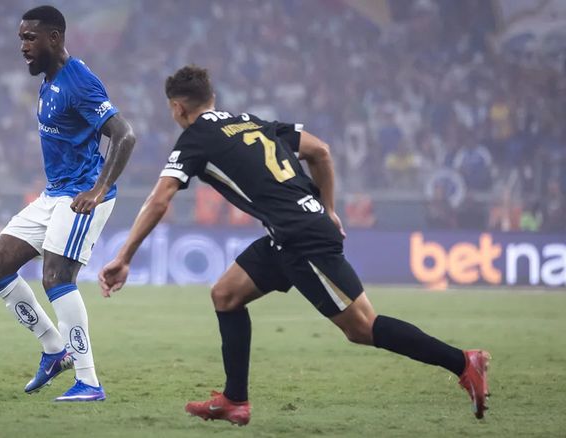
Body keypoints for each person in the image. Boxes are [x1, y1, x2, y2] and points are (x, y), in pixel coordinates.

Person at [99, 66, 489, 425]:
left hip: (300, 238)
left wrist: (123, 257)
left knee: (362, 328)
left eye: (172, 110)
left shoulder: (195, 139)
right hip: (290, 233)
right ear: (211, 98)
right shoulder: (250, 121)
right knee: (226, 294)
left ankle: (462, 362)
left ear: (178, 107)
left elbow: (160, 199)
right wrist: (329, 209)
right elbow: (320, 151)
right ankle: (235, 399)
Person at [0, 5, 136, 402]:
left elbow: (124, 135)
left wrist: (98, 190)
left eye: (30, 38)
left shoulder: (78, 81)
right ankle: (54, 348)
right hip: (54, 194)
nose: (23, 46)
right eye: (20, 38)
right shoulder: (48, 81)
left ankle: (89, 382)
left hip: (83, 195)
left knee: (56, 278)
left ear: (55, 37)